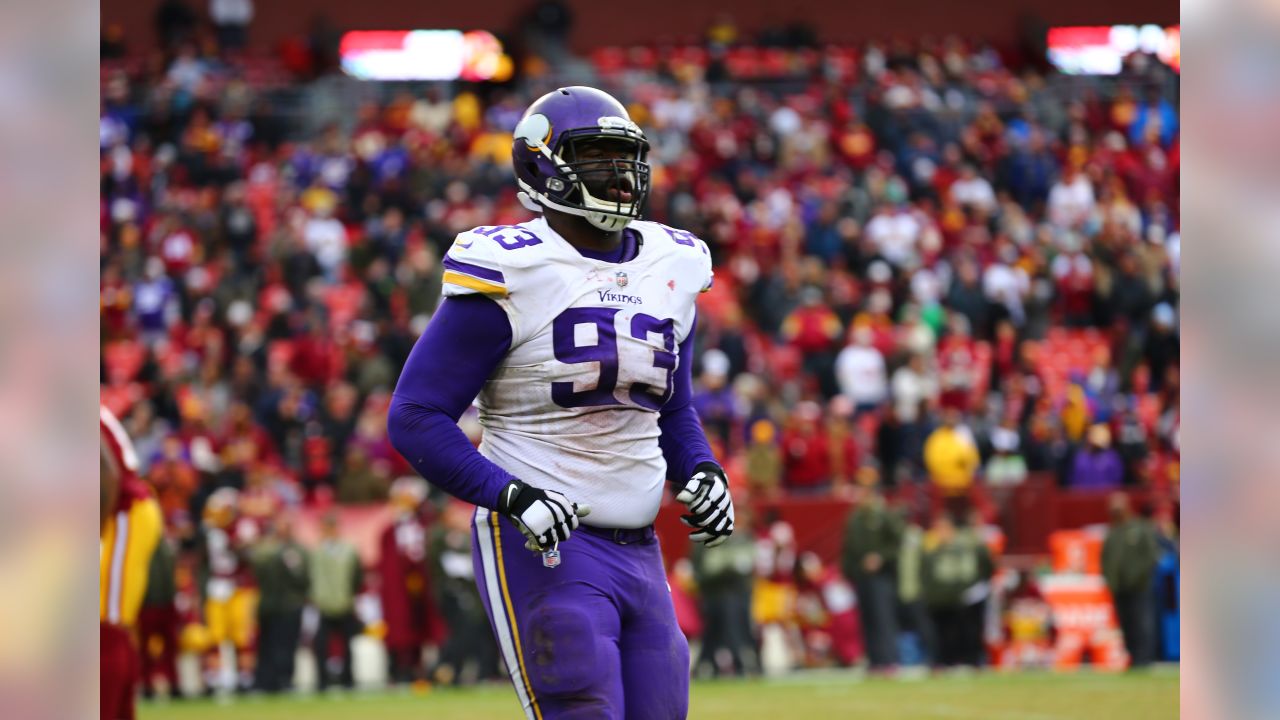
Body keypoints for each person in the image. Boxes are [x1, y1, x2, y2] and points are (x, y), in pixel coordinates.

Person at [387, 86, 734, 719]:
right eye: (596, 157)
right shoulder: (512, 267)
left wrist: (702, 469)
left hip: (641, 547)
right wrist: (511, 495)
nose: (619, 174)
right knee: (582, 704)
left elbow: (671, 408)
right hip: (544, 541)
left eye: (623, 157)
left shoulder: (672, 261)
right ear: (543, 165)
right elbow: (415, 415)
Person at [101, 406, 164, 720]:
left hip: (124, 511)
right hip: (119, 513)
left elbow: (106, 469)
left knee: (106, 621)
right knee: (111, 624)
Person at [840, 468, 902, 672]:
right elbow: (848, 548)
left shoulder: (884, 515)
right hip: (861, 577)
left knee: (883, 617)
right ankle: (875, 661)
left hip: (881, 577)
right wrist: (847, 572)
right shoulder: (855, 518)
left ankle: (889, 660)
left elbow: (898, 543)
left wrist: (881, 558)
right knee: (867, 619)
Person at [377, 477, 436, 684]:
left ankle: (421, 670)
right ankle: (399, 671)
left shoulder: (427, 525)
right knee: (400, 628)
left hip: (422, 584)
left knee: (423, 626)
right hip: (400, 588)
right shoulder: (389, 532)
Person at [921, 513, 994, 668]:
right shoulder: (933, 550)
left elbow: (984, 567)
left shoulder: (966, 547)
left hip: (963, 598)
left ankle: (971, 662)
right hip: (940, 600)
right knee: (942, 635)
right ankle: (946, 662)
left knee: (967, 633)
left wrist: (971, 589)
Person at [249, 514, 309, 693]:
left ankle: (285, 680)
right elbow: (256, 570)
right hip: (268, 605)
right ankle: (264, 682)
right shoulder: (266, 549)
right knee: (266, 646)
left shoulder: (297, 550)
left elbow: (302, 578)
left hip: (289, 605)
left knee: (286, 645)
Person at [1101, 494, 1160, 669]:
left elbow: (1151, 555)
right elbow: (1105, 558)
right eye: (1113, 510)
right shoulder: (1113, 533)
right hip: (1119, 588)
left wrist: (1138, 576)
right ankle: (1133, 657)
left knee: (1141, 622)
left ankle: (1144, 659)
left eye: (1118, 509)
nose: (1115, 513)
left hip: (1139, 586)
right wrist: (1110, 580)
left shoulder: (1141, 528)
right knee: (1126, 623)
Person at [310, 511, 364, 691]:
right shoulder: (316, 551)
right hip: (323, 603)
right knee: (320, 645)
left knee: (348, 644)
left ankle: (348, 679)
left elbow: (357, 576)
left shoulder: (348, 550)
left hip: (344, 601)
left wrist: (351, 595)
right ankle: (322, 681)